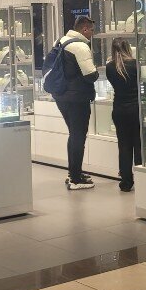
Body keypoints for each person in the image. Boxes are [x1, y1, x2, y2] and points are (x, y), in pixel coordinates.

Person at [54, 15, 99, 190]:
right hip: (77, 98)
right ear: (84, 29)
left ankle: (74, 172)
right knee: (79, 136)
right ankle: (75, 179)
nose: (92, 34)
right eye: (91, 30)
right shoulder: (80, 46)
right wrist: (96, 71)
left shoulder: (61, 41)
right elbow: (91, 75)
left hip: (61, 95)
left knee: (74, 134)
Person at [106, 37, 142, 192]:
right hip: (136, 109)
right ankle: (142, 179)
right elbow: (143, 85)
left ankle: (126, 181)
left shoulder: (110, 67)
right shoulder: (135, 64)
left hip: (119, 109)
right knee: (139, 145)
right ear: (128, 48)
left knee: (124, 146)